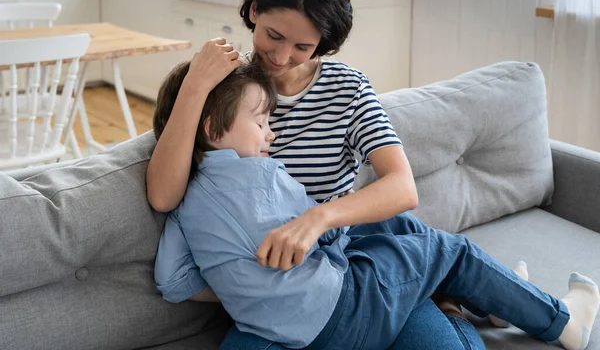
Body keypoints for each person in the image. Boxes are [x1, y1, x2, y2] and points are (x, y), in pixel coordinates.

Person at [147, 0, 485, 348]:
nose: (280, 56)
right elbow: (163, 195)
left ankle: (450, 302)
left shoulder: (348, 89)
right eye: (273, 35)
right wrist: (194, 87)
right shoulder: (224, 88)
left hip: (352, 266)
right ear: (254, 10)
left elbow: (402, 188)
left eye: (302, 46)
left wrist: (315, 221)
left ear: (322, 43)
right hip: (286, 300)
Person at [153, 60, 600, 350]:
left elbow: (173, 282)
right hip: (345, 307)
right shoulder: (263, 174)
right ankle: (564, 323)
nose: (271, 133)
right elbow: (318, 238)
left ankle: (488, 299)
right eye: (260, 121)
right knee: (450, 251)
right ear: (211, 127)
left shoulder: (181, 204)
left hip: (279, 327)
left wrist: (241, 285)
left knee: (391, 230)